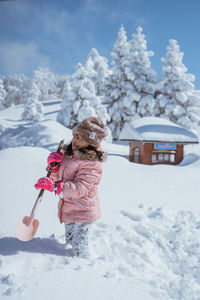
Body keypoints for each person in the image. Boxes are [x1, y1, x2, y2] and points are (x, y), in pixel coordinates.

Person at [34, 117, 107, 257]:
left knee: (80, 248)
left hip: (84, 210)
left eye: (80, 137)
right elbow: (60, 178)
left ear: (91, 142)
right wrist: (53, 168)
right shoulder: (69, 155)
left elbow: (81, 188)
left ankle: (83, 269)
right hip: (68, 208)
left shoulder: (92, 163)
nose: (75, 139)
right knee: (70, 240)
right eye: (74, 135)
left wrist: (55, 187)